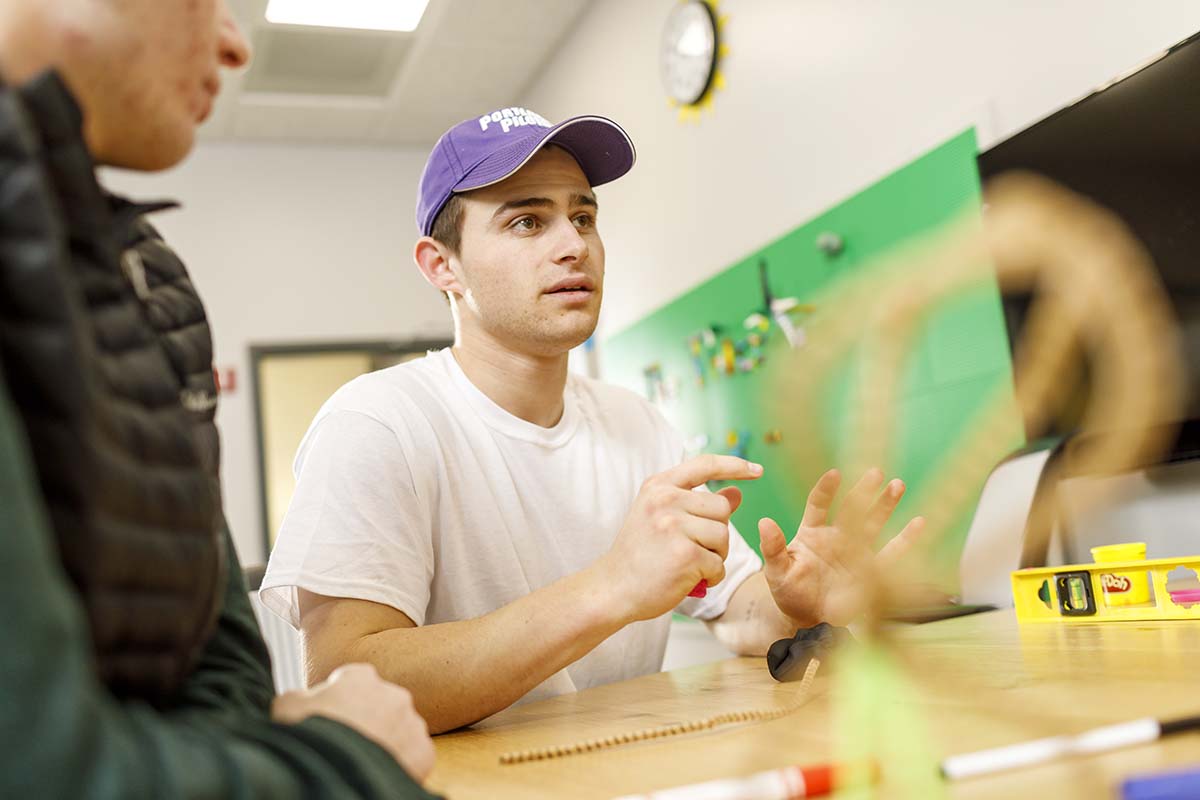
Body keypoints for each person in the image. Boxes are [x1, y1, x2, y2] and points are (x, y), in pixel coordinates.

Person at [261, 108, 925, 734]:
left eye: (584, 216)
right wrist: (612, 585)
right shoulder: (379, 422)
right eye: (527, 222)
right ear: (444, 267)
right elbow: (347, 684)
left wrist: (794, 602)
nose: (572, 245)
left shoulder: (637, 423)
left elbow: (734, 608)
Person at [0, 1, 438, 796]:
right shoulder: (377, 420)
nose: (235, 44)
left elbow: (218, 674)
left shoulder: (140, 272)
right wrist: (345, 762)